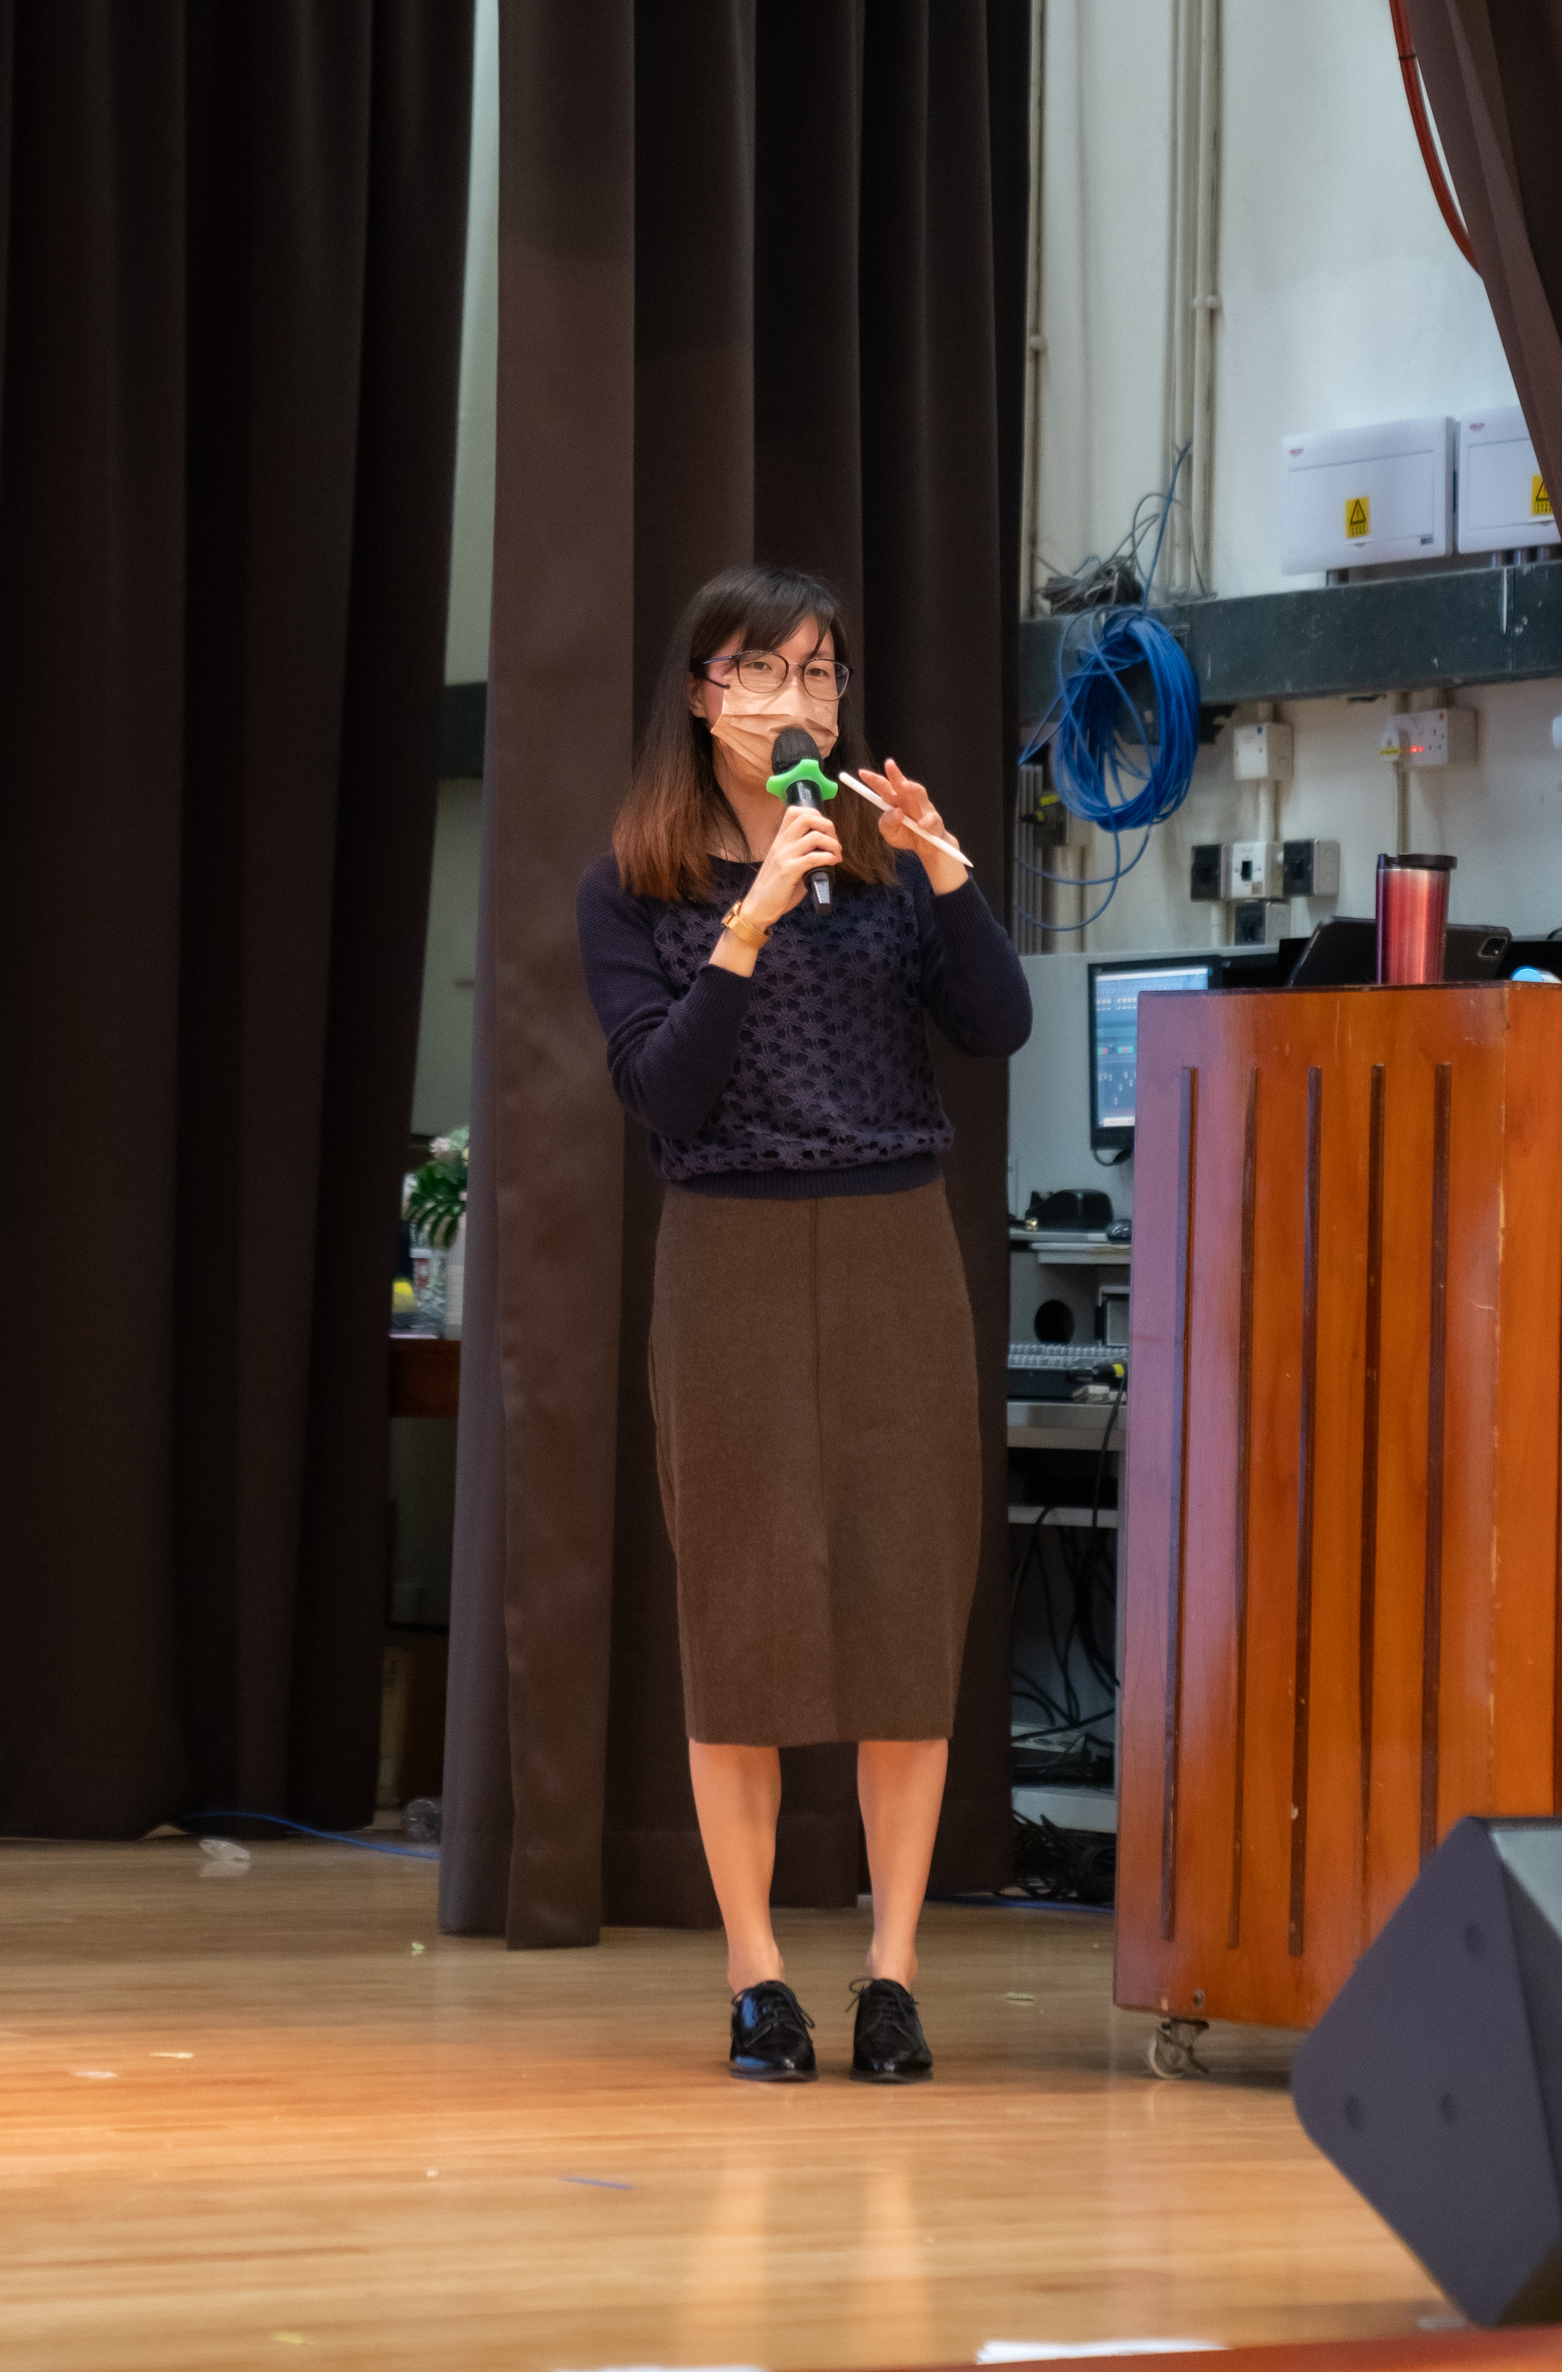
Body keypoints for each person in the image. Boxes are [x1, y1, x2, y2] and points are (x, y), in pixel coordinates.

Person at [576, 565, 1031, 2084]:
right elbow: (662, 1091)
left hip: (897, 1245)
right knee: (746, 1616)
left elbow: (997, 1026)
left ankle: (892, 1972)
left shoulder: (881, 858)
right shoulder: (633, 882)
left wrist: (948, 875)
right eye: (765, 671)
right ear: (702, 695)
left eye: (821, 672)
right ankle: (756, 1974)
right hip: (731, 1256)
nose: (799, 700)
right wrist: (750, 921)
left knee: (904, 1607)